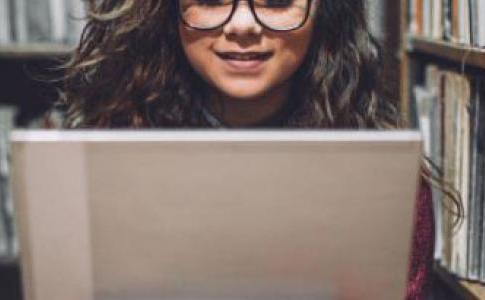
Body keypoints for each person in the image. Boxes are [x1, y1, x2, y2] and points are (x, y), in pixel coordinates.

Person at [59, 1, 447, 299]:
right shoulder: (111, 156)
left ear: (324, 13)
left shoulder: (383, 181)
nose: (242, 25)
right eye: (211, 0)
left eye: (275, 2)